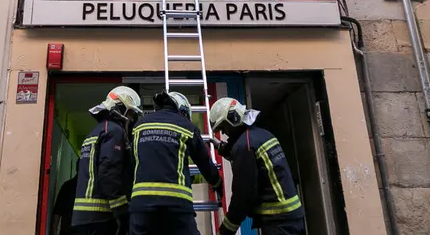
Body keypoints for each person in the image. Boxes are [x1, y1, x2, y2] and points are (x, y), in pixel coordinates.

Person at [129, 91, 223, 235]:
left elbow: (132, 162)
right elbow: (204, 163)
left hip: (142, 205)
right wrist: (217, 183)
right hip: (176, 205)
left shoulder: (139, 126)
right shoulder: (187, 126)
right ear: (183, 110)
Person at [209, 97, 306, 235]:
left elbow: (242, 196)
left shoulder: (245, 146)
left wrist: (225, 230)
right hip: (291, 216)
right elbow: (248, 153)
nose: (224, 133)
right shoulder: (262, 135)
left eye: (223, 127)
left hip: (278, 223)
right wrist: (221, 147)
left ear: (233, 119)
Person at [71, 86, 143, 235]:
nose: (131, 119)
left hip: (84, 218)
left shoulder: (96, 131)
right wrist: (122, 210)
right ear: (121, 108)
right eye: (131, 113)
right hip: (100, 218)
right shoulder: (113, 131)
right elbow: (109, 172)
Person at [52, 159, 84, 235]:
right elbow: (57, 212)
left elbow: (57, 212)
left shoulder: (67, 185)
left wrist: (54, 231)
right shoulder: (68, 186)